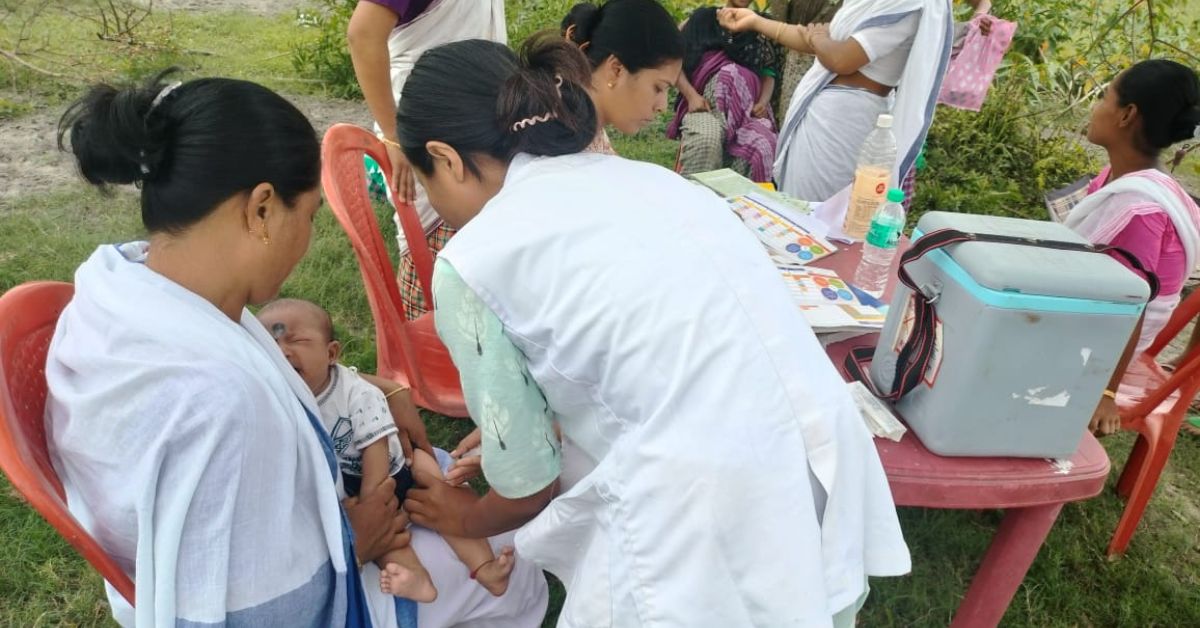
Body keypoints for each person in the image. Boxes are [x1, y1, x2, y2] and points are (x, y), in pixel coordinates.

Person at [394, 35, 911, 626]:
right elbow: (648, 343)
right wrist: (520, 429)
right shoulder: (648, 181)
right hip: (815, 442)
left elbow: (527, 489)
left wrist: (459, 519)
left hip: (704, 499)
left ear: (446, 158)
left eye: (425, 181)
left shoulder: (475, 259)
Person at [46, 71, 549, 627]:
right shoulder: (218, 396)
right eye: (308, 216)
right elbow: (267, 610)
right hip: (304, 589)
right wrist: (356, 542)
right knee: (514, 570)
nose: (307, 240)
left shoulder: (123, 288)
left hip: (157, 565)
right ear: (261, 209)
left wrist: (386, 389)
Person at [257, 299, 516, 601]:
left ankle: (485, 568)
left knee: (438, 488)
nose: (283, 352)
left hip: (395, 469)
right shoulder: (282, 401)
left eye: (297, 341)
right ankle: (417, 581)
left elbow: (375, 448)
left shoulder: (358, 392)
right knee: (386, 542)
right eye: (270, 347)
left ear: (331, 353)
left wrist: (373, 503)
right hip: (350, 486)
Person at [347, 0, 506, 320]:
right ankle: (422, 352)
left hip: (481, 122)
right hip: (424, 131)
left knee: (483, 248)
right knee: (429, 252)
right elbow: (363, 35)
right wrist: (394, 137)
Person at [1067, 59, 1200, 437]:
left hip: (1108, 340)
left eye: (1105, 96)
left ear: (1127, 115)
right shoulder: (1128, 181)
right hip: (1099, 319)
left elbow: (1131, 306)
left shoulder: (1140, 209)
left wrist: (1104, 390)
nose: (1096, 108)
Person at [719, 0, 953, 202]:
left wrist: (820, 39)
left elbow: (841, 59)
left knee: (817, 215)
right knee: (795, 206)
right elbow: (814, 39)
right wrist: (754, 21)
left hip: (845, 122)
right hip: (823, 115)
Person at [668, 2, 780, 181]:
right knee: (707, 140)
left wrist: (763, 102)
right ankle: (694, 200)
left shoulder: (760, 26)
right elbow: (673, 62)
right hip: (704, 108)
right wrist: (691, 96)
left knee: (764, 145)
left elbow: (768, 73)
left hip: (747, 114)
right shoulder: (702, 19)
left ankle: (742, 205)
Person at [560, 0, 685, 154]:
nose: (662, 106)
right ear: (616, 70)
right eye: (658, 88)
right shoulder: (556, 144)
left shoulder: (578, 131)